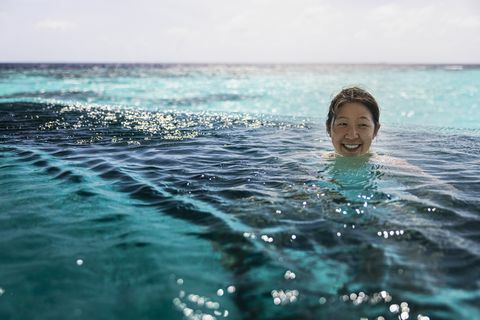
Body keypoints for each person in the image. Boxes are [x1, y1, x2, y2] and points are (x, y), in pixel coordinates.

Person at [325, 86, 380, 157]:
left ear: (375, 130)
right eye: (343, 124)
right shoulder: (310, 162)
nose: (352, 136)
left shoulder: (394, 166)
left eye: (362, 125)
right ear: (329, 128)